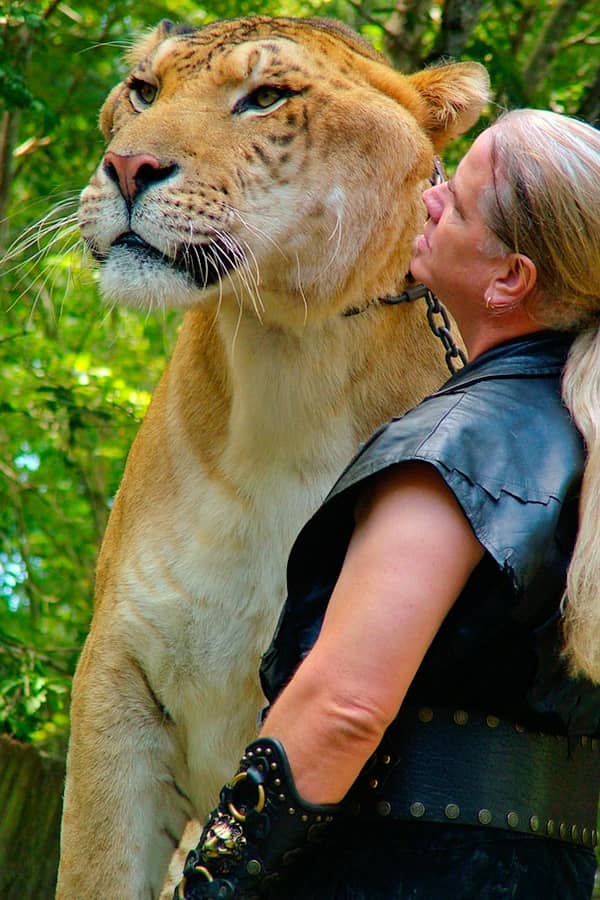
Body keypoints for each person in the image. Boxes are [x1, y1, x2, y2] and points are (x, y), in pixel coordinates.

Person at [175, 109, 600, 899]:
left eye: (460, 204)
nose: (429, 199)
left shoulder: (460, 443)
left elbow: (342, 708)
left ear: (511, 279)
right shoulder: (586, 443)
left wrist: (213, 883)